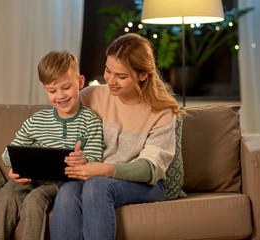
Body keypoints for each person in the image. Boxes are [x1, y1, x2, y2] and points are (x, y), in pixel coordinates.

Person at [50, 33, 183, 240]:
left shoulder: (161, 111)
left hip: (146, 185)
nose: (110, 80)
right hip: (96, 177)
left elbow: (150, 169)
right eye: (108, 71)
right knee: (67, 192)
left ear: (142, 75)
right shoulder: (90, 96)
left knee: (96, 185)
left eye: (121, 76)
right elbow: (54, 127)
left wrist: (104, 170)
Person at [0, 51, 103, 240]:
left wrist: (84, 160)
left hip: (63, 182)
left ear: (80, 83)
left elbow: (96, 159)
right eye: (52, 90)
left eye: (66, 87)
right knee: (6, 195)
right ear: (45, 89)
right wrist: (14, 168)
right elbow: (9, 153)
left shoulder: (91, 120)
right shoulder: (37, 120)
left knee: (34, 199)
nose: (60, 96)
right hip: (31, 178)